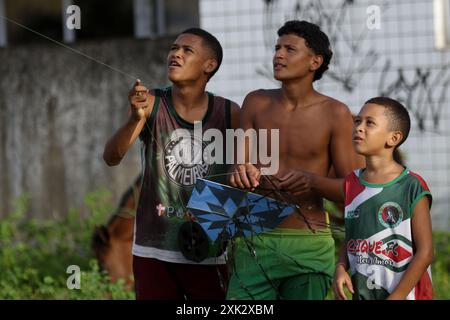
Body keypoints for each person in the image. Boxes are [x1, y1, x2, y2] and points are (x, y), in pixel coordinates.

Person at [103, 28, 240, 300]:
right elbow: (111, 157)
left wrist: (215, 213)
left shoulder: (229, 112)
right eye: (173, 48)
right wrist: (134, 118)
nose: (175, 54)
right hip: (153, 248)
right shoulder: (151, 103)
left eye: (187, 50)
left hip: (207, 250)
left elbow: (241, 176)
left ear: (209, 65)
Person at [227, 20, 358, 300]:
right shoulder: (255, 102)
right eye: (277, 48)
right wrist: (240, 170)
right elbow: (236, 170)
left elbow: (353, 192)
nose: (278, 55)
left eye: (289, 49)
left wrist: (314, 182)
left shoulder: (335, 113)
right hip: (254, 241)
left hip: (308, 244)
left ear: (315, 61)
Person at [290, 97, 434, 300]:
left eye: (370, 123)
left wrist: (398, 296)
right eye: (357, 121)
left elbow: (426, 252)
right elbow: (353, 236)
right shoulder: (351, 183)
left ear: (393, 138)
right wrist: (341, 267)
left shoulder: (412, 185)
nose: (358, 127)